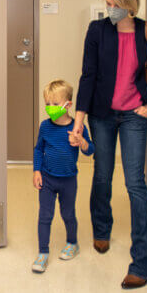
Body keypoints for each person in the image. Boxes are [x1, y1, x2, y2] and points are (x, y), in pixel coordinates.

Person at [71, 0, 147, 289]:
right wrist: (78, 118)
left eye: (114, 4)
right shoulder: (97, 31)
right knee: (103, 174)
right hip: (102, 115)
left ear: (128, 4)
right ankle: (101, 227)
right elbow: (88, 76)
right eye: (107, 3)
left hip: (135, 114)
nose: (109, 9)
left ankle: (143, 264)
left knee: (135, 182)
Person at [32, 80, 94, 273]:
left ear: (68, 104)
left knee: (68, 214)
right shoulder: (45, 126)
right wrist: (36, 170)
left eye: (55, 104)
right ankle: (43, 253)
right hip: (47, 179)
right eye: (47, 104)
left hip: (68, 180)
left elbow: (89, 150)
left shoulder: (77, 127)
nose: (50, 108)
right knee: (45, 215)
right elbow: (38, 150)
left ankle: (72, 243)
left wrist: (81, 142)